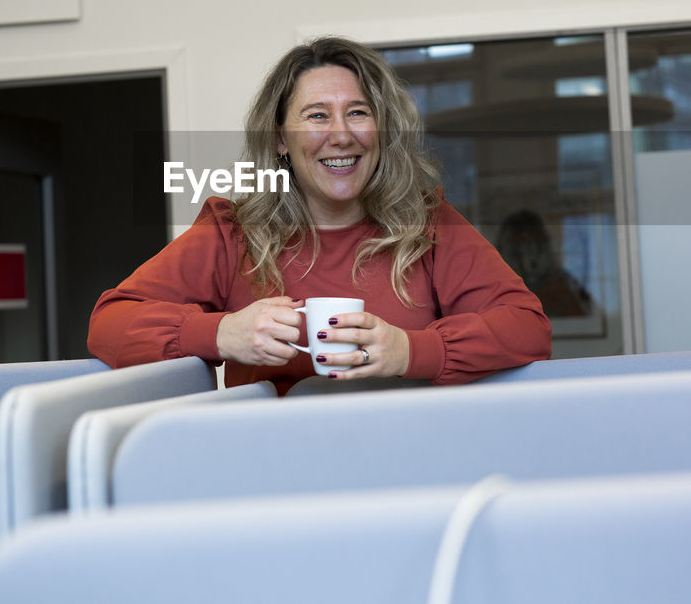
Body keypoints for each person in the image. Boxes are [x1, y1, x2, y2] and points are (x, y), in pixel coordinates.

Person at [88, 36, 551, 394]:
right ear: (280, 140)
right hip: (277, 471)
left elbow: (528, 327)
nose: (342, 134)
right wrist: (221, 333)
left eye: (358, 112)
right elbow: (109, 322)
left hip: (410, 459)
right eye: (316, 116)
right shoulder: (231, 233)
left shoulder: (429, 223)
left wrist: (411, 350)